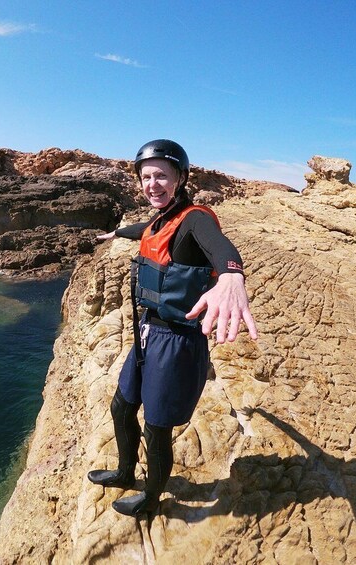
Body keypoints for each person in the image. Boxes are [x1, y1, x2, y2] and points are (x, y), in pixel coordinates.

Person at [87, 139, 258, 517]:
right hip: (147, 331)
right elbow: (147, 229)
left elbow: (222, 249)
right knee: (121, 407)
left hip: (176, 341)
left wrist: (232, 277)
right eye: (146, 177)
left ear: (180, 177)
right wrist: (117, 234)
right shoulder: (162, 218)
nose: (153, 184)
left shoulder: (196, 218)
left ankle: (151, 498)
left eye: (162, 175)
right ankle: (125, 471)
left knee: (157, 427)